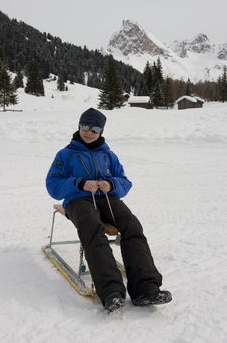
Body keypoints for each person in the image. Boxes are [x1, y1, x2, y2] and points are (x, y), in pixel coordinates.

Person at [46, 108, 172, 312]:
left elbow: (125, 181)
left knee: (131, 225)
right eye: (85, 126)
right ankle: (111, 291)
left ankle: (146, 288)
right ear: (79, 126)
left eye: (94, 129)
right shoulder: (65, 154)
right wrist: (79, 184)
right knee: (92, 227)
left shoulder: (108, 155)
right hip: (78, 201)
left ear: (101, 131)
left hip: (107, 199)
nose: (89, 132)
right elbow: (53, 185)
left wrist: (111, 185)